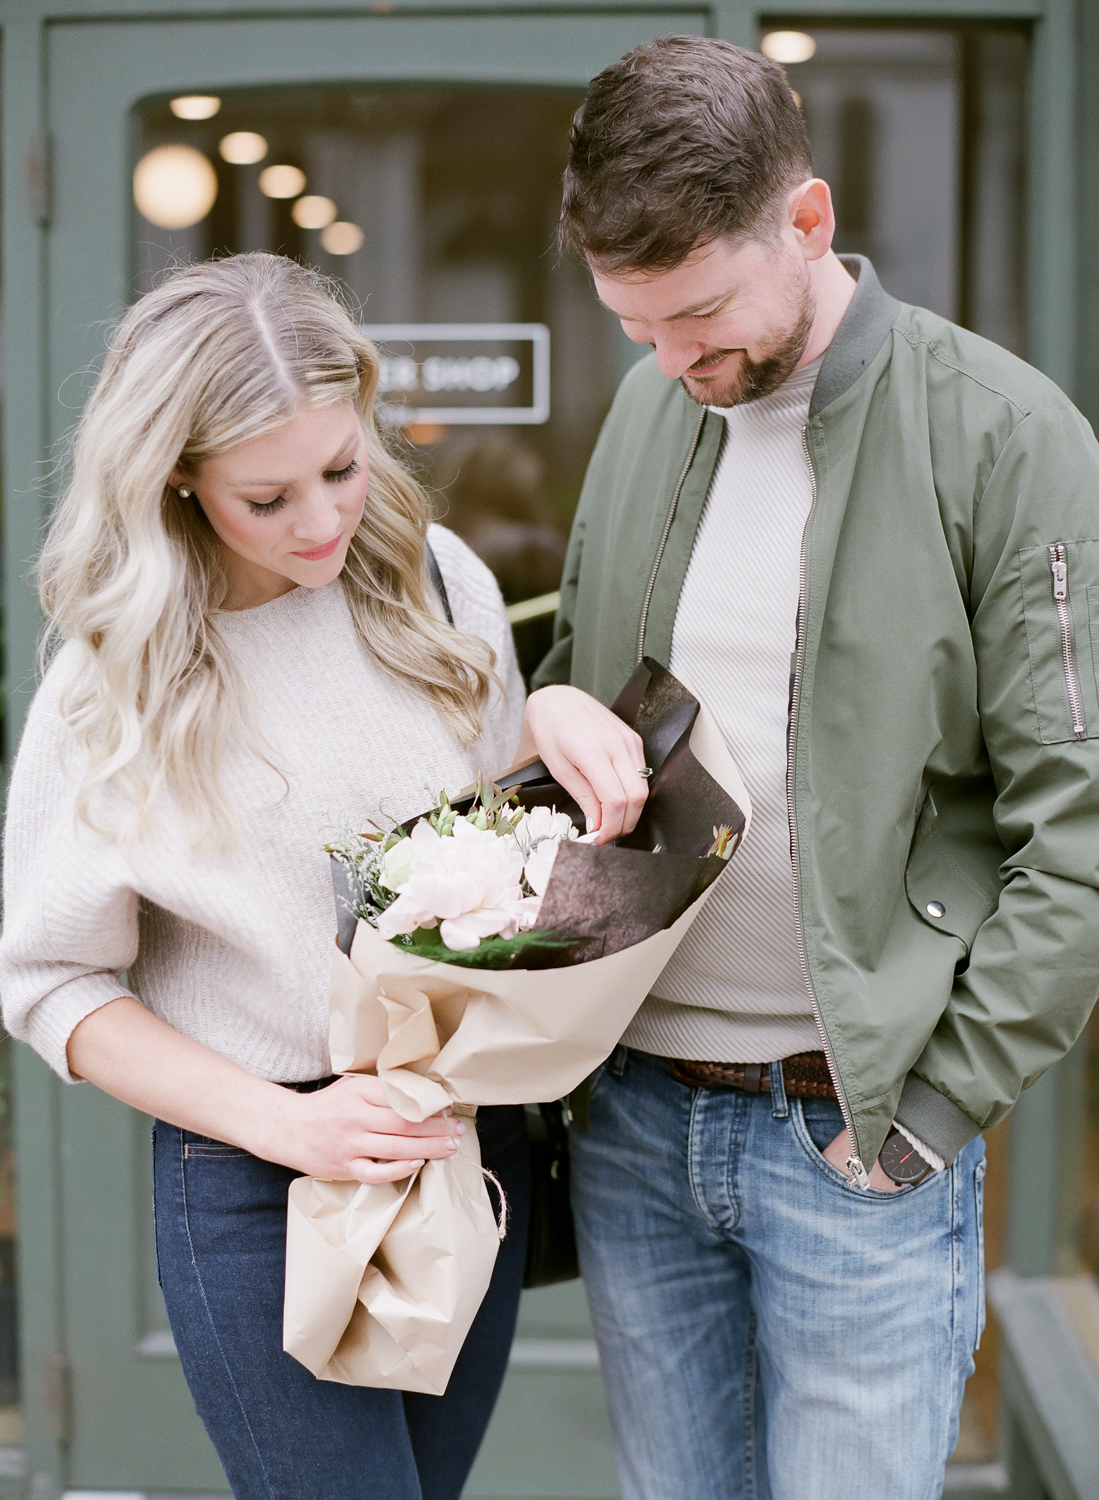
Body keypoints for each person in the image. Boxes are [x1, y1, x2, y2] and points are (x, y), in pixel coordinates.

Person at [520, 35, 1099, 1500]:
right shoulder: (659, 405)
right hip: (637, 1119)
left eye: (699, 313)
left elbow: (1076, 828)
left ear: (809, 219)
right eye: (631, 325)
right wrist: (549, 712)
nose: (668, 362)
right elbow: (585, 683)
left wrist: (929, 1113)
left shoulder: (1003, 434)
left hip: (853, 1127)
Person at [0, 253, 548, 1500]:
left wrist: (553, 719)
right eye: (268, 495)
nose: (321, 521)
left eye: (343, 469)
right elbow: (48, 984)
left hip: (462, 1150)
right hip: (256, 1175)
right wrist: (290, 1125)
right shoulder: (116, 680)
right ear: (178, 477)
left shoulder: (435, 576)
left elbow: (498, 844)